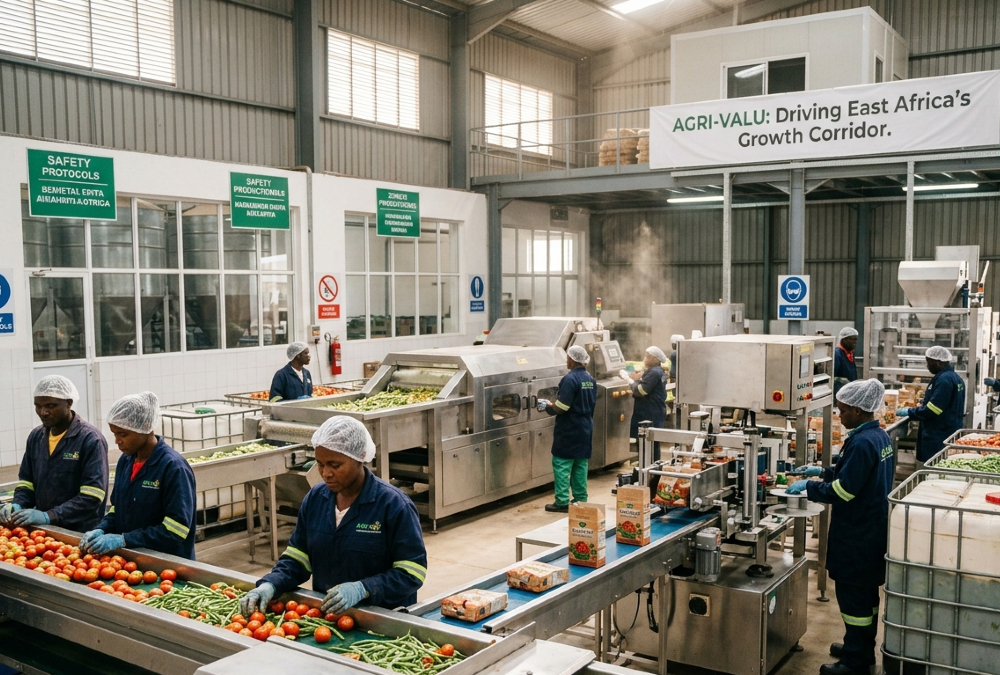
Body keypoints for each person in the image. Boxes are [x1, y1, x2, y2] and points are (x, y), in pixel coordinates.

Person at [239, 417, 427, 616]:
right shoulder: (316, 499)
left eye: (335, 465)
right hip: (329, 616)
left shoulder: (393, 505)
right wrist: (271, 583)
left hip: (384, 617)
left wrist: (364, 588)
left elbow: (412, 572)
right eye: (320, 464)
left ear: (360, 458)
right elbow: (298, 558)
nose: (326, 473)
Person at [786, 379, 894, 675]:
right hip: (872, 528)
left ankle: (855, 662)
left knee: (853, 599)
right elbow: (855, 474)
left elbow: (845, 490)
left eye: (843, 410)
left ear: (858, 410)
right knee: (866, 598)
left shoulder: (861, 442)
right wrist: (823, 471)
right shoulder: (878, 436)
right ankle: (860, 647)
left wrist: (809, 487)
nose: (839, 415)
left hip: (857, 534)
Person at [79, 392, 197, 560]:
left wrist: (124, 539)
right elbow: (117, 509)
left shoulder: (173, 467)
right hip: (130, 560)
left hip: (167, 563)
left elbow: (176, 530)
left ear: (145, 427)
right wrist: (102, 528)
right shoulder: (125, 461)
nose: (117, 441)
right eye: (114, 433)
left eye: (123, 434)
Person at [0, 376, 108, 531]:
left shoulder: (90, 439)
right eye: (38, 406)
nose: (43, 412)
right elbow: (27, 483)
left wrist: (49, 516)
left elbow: (92, 496)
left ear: (69, 403)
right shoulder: (36, 437)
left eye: (50, 406)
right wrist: (18, 504)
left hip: (79, 531)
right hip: (44, 531)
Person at [537, 345, 597, 513]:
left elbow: (562, 407)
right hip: (585, 426)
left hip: (569, 427)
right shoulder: (590, 379)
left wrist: (548, 407)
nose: (566, 361)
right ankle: (580, 499)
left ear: (572, 359)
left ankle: (562, 501)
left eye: (567, 358)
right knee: (580, 464)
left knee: (562, 464)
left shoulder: (570, 379)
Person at [896, 346, 965, 467]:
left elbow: (933, 410)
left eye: (928, 362)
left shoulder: (944, 380)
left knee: (935, 466)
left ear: (937, 362)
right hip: (948, 430)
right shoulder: (955, 378)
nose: (927, 365)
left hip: (939, 435)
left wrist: (910, 412)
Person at [621, 346, 668, 461]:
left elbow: (641, 391)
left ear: (655, 359)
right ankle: (651, 467)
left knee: (647, 441)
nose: (644, 359)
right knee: (651, 442)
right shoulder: (656, 371)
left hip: (649, 413)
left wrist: (628, 380)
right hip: (654, 411)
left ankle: (648, 467)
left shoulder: (654, 372)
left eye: (647, 357)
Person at [833, 327, 859, 397]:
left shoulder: (851, 353)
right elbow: (832, 376)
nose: (855, 342)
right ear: (843, 339)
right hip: (839, 392)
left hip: (849, 391)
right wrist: (839, 379)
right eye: (852, 339)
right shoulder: (837, 354)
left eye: (856, 339)